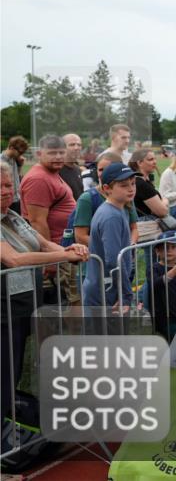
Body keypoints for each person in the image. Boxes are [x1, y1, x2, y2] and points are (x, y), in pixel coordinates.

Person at [1, 161, 88, 420]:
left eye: (8, 185)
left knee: (18, 368)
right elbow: (13, 259)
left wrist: (67, 250)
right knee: (6, 371)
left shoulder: (13, 215)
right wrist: (63, 256)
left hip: (25, 303)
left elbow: (41, 243)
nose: (6, 191)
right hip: (4, 311)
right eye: (0, 187)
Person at [20, 136, 80, 305]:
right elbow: (37, 222)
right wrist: (51, 260)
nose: (59, 157)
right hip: (57, 249)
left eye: (61, 152)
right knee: (71, 301)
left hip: (63, 248)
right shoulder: (39, 179)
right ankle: (72, 331)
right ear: (39, 153)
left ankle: (73, 330)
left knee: (70, 300)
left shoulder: (51, 173)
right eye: (52, 153)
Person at [84, 163, 137, 310]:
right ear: (107, 188)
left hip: (107, 286)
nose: (131, 188)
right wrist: (125, 295)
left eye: (133, 183)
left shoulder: (116, 210)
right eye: (123, 185)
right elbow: (114, 260)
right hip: (107, 290)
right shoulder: (111, 216)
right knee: (108, 332)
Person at [68, 152, 140, 247]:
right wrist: (111, 248)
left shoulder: (125, 195)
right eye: (100, 169)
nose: (103, 173)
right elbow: (80, 236)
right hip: (96, 258)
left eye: (108, 169)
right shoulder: (87, 198)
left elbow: (134, 228)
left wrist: (130, 245)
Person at [142, 230, 176, 339]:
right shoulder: (154, 268)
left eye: (173, 247)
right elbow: (155, 284)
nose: (169, 251)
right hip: (163, 318)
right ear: (157, 251)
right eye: (164, 248)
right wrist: (173, 272)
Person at [129, 148, 171, 241]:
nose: (155, 162)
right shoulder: (140, 183)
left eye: (155, 159)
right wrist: (165, 201)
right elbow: (162, 211)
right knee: (152, 254)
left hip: (145, 226)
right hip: (148, 229)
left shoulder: (142, 180)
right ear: (139, 163)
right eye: (150, 159)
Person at [0, 136, 29, 214]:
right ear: (12, 148)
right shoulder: (1, 161)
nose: (21, 155)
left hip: (17, 199)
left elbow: (18, 178)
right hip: (5, 201)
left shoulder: (14, 160)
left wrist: (20, 165)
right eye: (20, 152)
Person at [60, 133, 85, 200]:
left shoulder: (78, 170)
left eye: (79, 145)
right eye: (72, 145)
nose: (76, 148)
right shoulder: (56, 171)